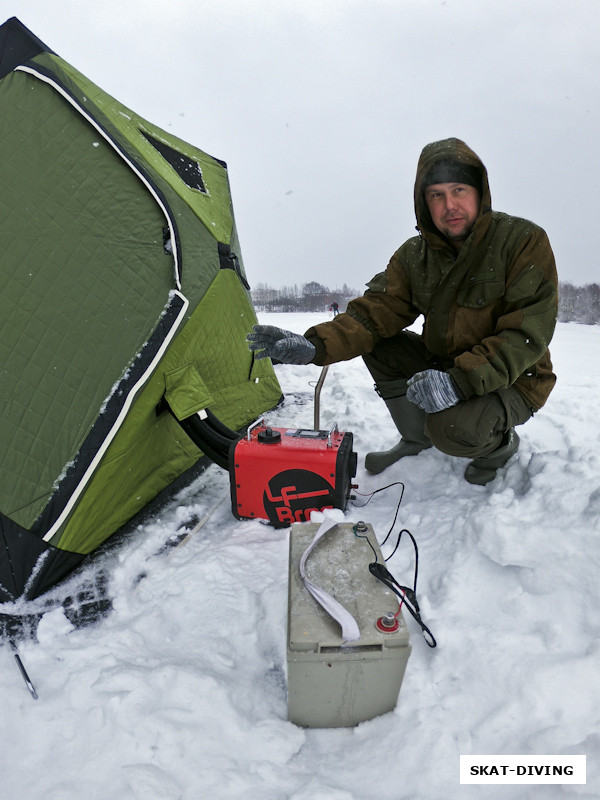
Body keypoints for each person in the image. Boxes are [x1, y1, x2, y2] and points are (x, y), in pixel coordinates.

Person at [247, 138, 558, 485]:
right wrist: (316, 346)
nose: (450, 205)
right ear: (423, 203)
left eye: (459, 190)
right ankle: (416, 439)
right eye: (436, 195)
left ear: (479, 192)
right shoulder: (415, 254)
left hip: (516, 379)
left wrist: (459, 383)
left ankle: (498, 446)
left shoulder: (522, 241)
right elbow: (374, 313)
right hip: (447, 366)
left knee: (452, 429)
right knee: (379, 344)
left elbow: (525, 333)